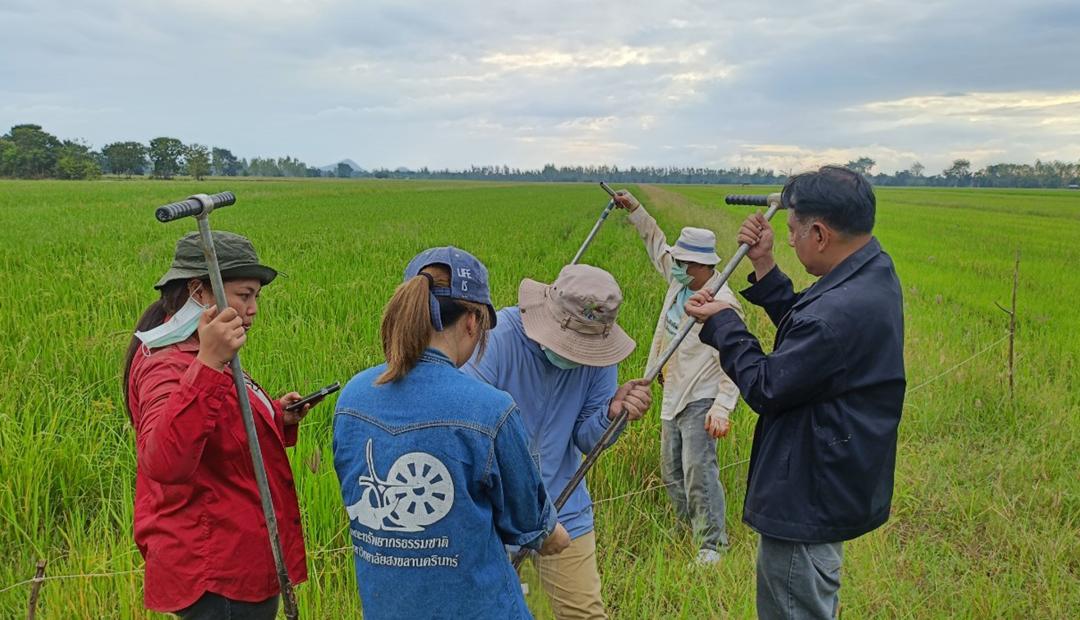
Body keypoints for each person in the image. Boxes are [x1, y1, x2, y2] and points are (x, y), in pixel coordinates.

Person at [684, 166, 905, 619]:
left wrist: (724, 321)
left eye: (791, 233)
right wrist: (763, 264)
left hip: (809, 491)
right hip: (833, 477)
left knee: (793, 606)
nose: (787, 241)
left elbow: (768, 386)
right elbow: (811, 343)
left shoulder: (838, 313)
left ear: (820, 234)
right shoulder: (870, 272)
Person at [333, 246, 570, 620]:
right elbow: (527, 522)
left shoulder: (352, 397)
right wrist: (553, 535)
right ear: (472, 321)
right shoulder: (489, 408)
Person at [123, 231, 310, 619]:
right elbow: (164, 461)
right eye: (244, 295)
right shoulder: (169, 363)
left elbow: (215, 423)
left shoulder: (201, 351)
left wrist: (276, 414)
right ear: (200, 292)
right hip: (217, 573)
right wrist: (209, 362)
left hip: (238, 558)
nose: (254, 308)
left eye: (256, 296)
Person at [465, 263, 653, 620]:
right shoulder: (498, 338)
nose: (576, 355)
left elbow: (586, 437)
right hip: (493, 509)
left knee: (585, 613)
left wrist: (612, 414)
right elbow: (467, 425)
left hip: (564, 506)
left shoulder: (599, 356)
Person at [611, 189, 743, 565]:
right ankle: (687, 531)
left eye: (686, 262)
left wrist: (722, 407)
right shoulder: (680, 282)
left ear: (706, 267)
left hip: (700, 396)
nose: (679, 265)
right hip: (672, 391)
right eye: (679, 261)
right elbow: (656, 243)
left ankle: (711, 544)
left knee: (699, 471)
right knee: (671, 469)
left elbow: (736, 359)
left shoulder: (723, 303)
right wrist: (635, 208)